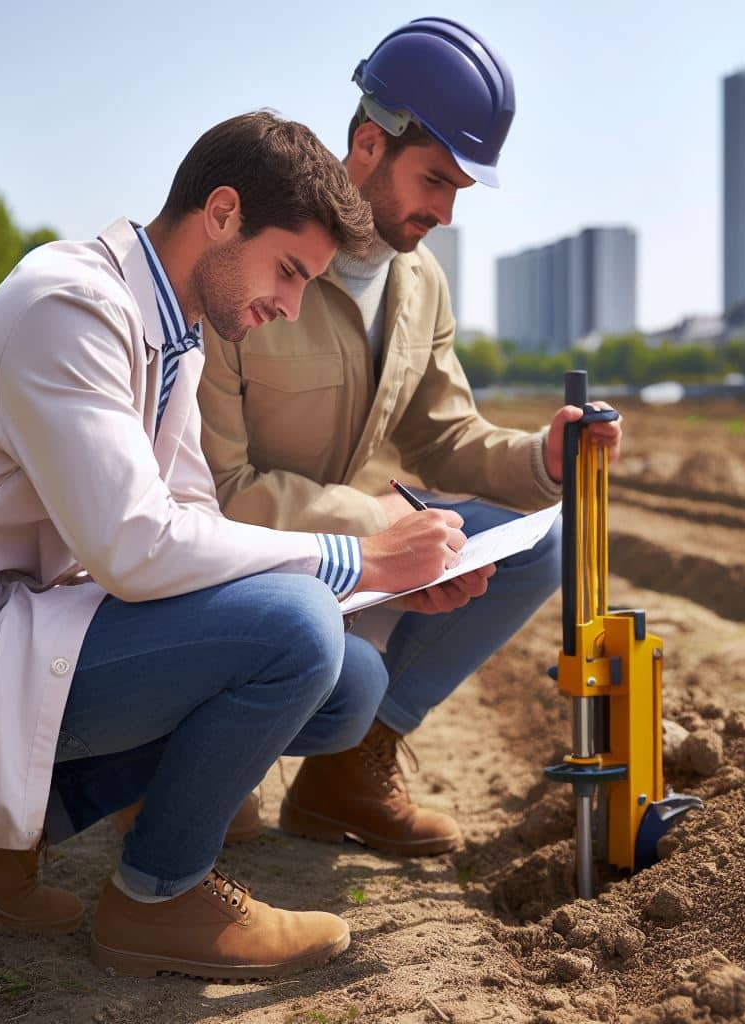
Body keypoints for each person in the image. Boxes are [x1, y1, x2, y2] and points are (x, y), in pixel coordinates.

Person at [0, 111, 477, 981]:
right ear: (221, 214)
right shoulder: (71, 306)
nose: (291, 307)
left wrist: (378, 586)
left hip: (19, 632)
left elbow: (196, 524)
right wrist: (357, 559)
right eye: (288, 271)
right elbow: (139, 546)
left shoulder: (172, 331)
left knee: (348, 680)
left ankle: (22, 820)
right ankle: (156, 896)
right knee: (294, 631)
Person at [197, 20, 623, 858]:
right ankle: (177, 756)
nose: (445, 211)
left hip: (343, 551)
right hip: (226, 560)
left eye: (460, 189)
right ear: (366, 143)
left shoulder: (421, 280)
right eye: (435, 179)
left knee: (537, 547)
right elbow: (215, 488)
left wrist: (541, 456)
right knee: (220, 814)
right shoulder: (249, 261)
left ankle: (346, 772)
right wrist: (378, 523)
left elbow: (443, 435)